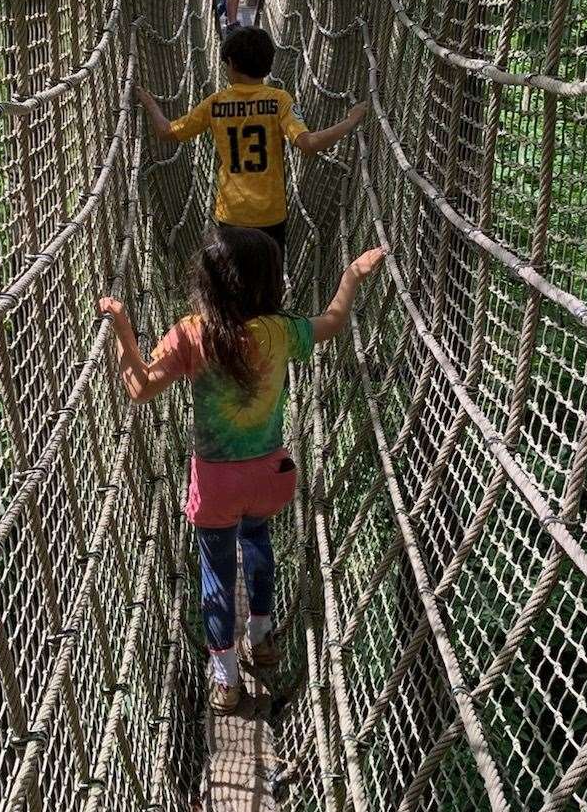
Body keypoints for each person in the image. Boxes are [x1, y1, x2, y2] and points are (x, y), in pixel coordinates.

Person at [98, 229, 387, 712]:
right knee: (257, 540)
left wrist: (124, 332)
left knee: (214, 572)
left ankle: (226, 680)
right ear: (269, 285)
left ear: (207, 285)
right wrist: (353, 274)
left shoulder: (192, 333)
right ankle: (262, 634)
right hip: (270, 475)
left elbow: (140, 387)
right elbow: (334, 321)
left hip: (215, 482)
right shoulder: (280, 330)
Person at [134, 26, 369, 260]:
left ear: (232, 64)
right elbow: (308, 144)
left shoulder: (215, 104)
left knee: (234, 284)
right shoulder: (279, 100)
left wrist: (149, 102)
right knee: (267, 285)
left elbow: (166, 132)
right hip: (270, 216)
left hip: (232, 215)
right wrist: (350, 121)